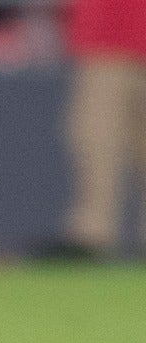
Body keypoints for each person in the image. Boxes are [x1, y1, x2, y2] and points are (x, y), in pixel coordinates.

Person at [43, 0, 146, 259]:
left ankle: (92, 235)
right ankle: (92, 235)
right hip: (105, 39)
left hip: (109, 40)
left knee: (95, 136)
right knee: (96, 139)